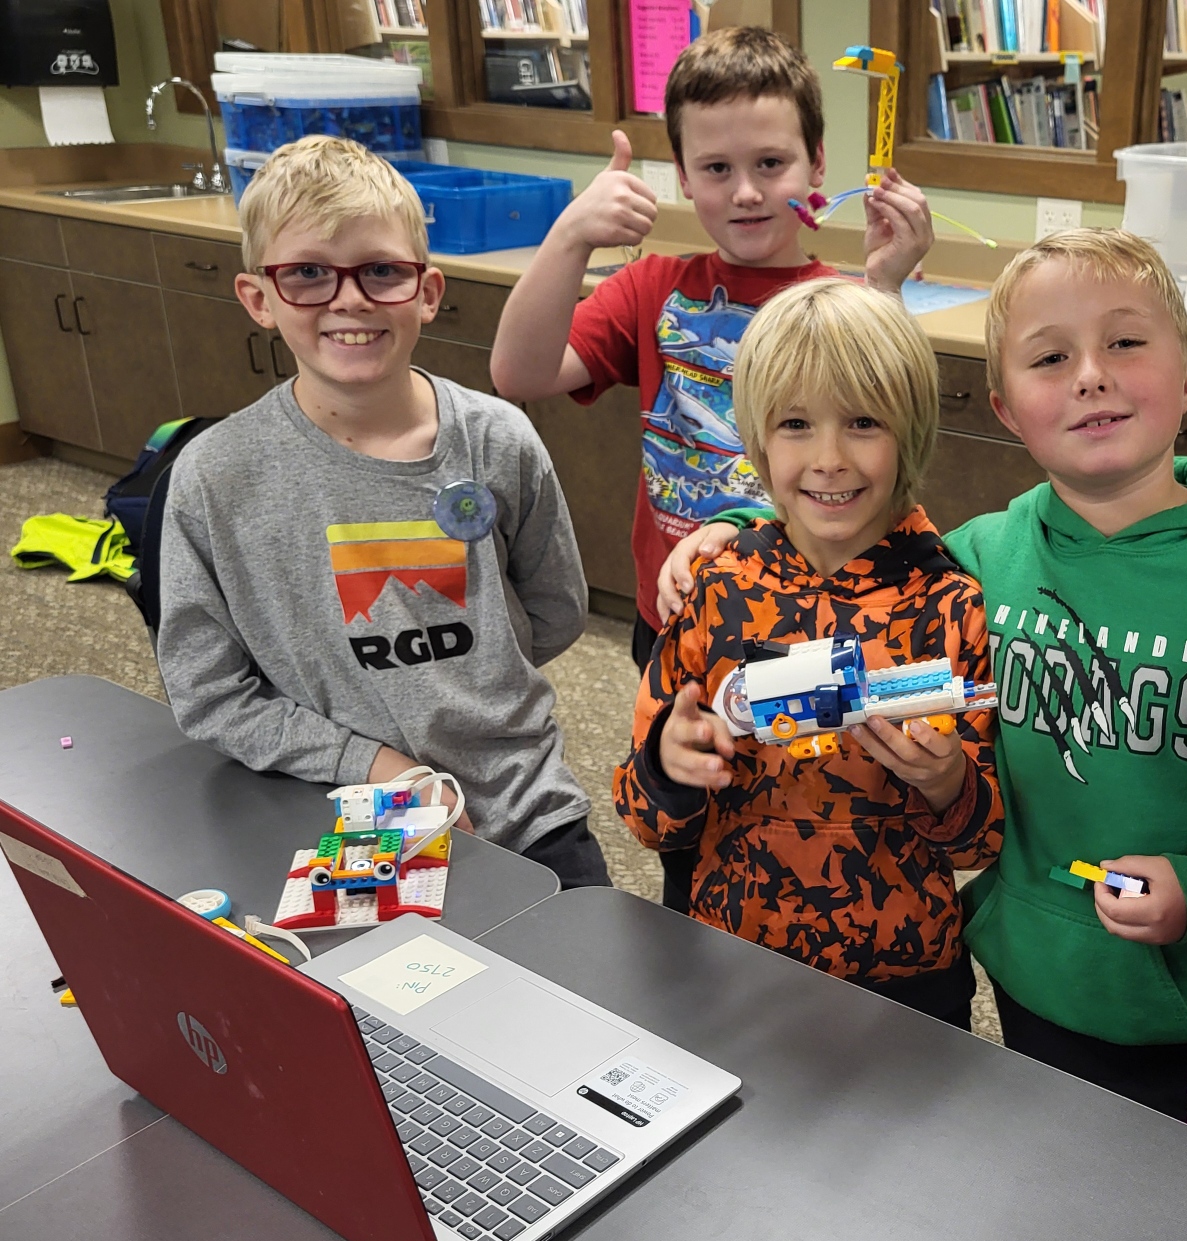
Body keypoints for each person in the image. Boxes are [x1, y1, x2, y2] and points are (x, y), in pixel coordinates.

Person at [656, 229, 1187, 1112]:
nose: (1091, 375)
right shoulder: (977, 559)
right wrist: (742, 524)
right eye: (1051, 357)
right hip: (1032, 975)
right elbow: (849, 519)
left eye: (1126, 342)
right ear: (1004, 408)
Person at [490, 25, 934, 910]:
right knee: (687, 814)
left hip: (814, 615)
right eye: (717, 169)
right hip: (683, 621)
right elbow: (520, 374)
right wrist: (572, 235)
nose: (745, 192)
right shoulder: (654, 288)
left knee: (822, 815)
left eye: (771, 163)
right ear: (682, 177)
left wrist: (888, 284)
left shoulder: (841, 301)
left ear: (816, 163)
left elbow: (884, 452)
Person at [156, 135, 608, 889]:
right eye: (306, 273)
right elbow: (210, 695)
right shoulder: (215, 476)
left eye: (381, 271)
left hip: (530, 813)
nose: (350, 299)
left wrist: (473, 677)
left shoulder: (498, 438)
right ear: (258, 298)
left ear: (427, 291)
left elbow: (556, 609)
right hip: (343, 818)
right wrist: (376, 764)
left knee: (586, 991)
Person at [614, 279, 1002, 1028]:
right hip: (732, 958)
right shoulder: (715, 586)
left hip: (905, 982)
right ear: (757, 438)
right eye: (795, 424)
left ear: (912, 430)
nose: (828, 458)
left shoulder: (953, 603)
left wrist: (949, 781)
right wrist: (669, 765)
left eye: (863, 422)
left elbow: (982, 839)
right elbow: (640, 816)